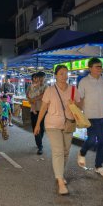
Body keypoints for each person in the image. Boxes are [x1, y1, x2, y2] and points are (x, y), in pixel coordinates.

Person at [34, 65, 80, 195]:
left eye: (66, 73)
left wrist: (75, 104)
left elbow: (80, 104)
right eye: (61, 73)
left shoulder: (73, 89)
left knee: (66, 151)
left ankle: (59, 174)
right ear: (55, 75)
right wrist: (38, 124)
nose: (64, 76)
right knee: (59, 151)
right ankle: (60, 181)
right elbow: (43, 108)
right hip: (52, 124)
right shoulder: (50, 90)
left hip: (68, 124)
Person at [77, 58, 103, 177]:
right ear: (90, 68)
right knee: (92, 140)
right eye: (97, 66)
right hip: (90, 116)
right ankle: (82, 151)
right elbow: (80, 99)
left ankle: (98, 166)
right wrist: (78, 113)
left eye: (100, 66)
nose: (100, 68)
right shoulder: (83, 82)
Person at [26, 72, 47, 155]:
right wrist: (30, 99)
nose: (41, 79)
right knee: (35, 127)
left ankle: (39, 143)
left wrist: (34, 98)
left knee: (41, 128)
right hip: (33, 110)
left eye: (43, 78)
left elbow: (43, 95)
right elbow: (27, 94)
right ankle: (40, 145)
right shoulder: (30, 86)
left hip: (43, 110)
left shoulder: (46, 87)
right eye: (39, 78)